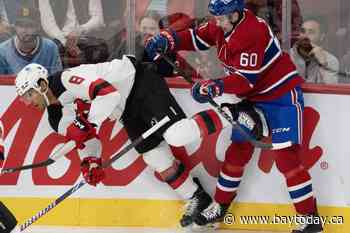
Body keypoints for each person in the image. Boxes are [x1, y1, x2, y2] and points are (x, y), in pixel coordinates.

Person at [145, 0, 323, 232]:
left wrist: (214, 86)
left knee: (287, 159)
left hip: (280, 96)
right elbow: (196, 38)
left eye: (221, 17)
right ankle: (220, 208)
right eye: (216, 17)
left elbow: (244, 80)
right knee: (237, 151)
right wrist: (169, 40)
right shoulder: (222, 23)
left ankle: (310, 221)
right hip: (252, 98)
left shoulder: (253, 31)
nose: (216, 22)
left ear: (236, 14)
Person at [15, 57, 219, 228]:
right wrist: (91, 162)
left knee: (177, 134)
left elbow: (107, 93)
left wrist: (88, 122)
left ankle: (227, 114)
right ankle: (199, 199)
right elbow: (84, 139)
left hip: (139, 82)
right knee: (155, 157)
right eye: (23, 98)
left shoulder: (66, 79)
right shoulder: (56, 119)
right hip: (126, 110)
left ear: (42, 85)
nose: (27, 102)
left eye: (29, 94)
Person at [0, 6, 62, 75]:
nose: (24, 30)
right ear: (15, 27)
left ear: (38, 27)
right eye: (20, 25)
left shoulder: (50, 47)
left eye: (29, 25)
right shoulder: (3, 50)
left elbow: (56, 79)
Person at [290, 16, 339, 84]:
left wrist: (324, 64)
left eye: (311, 32)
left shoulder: (331, 60)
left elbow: (330, 91)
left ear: (321, 37)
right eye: (303, 31)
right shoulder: (287, 56)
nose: (305, 36)